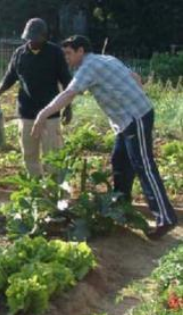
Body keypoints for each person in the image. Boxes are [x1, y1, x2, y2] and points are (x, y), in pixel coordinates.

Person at [31, 35, 179, 240]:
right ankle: (121, 209)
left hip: (135, 117)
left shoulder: (88, 67)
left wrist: (42, 114)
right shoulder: (106, 59)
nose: (66, 58)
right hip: (128, 120)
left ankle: (166, 218)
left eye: (68, 53)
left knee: (143, 165)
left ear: (81, 51)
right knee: (119, 162)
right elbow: (135, 77)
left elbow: (68, 94)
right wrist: (133, 95)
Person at [0, 18, 72, 177]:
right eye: (29, 38)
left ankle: (56, 190)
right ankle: (37, 186)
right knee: (29, 154)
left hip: (50, 113)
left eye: (36, 38)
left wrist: (68, 107)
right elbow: (9, 77)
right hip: (26, 112)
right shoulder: (20, 54)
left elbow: (66, 80)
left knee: (53, 154)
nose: (32, 42)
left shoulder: (55, 53)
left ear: (44, 36)